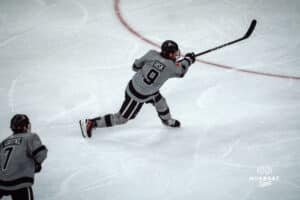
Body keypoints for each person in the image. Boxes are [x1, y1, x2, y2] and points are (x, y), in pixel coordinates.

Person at [79, 40, 196, 138]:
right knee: (122, 118)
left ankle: (167, 120)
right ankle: (91, 123)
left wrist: (156, 66)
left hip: (141, 88)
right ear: (170, 54)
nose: (176, 54)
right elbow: (181, 72)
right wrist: (188, 59)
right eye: (174, 53)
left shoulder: (152, 54)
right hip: (137, 96)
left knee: (161, 103)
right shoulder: (171, 67)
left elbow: (135, 66)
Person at [0, 114, 48, 200]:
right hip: (20, 181)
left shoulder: (4, 142)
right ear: (25, 127)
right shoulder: (30, 137)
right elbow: (41, 154)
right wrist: (36, 165)